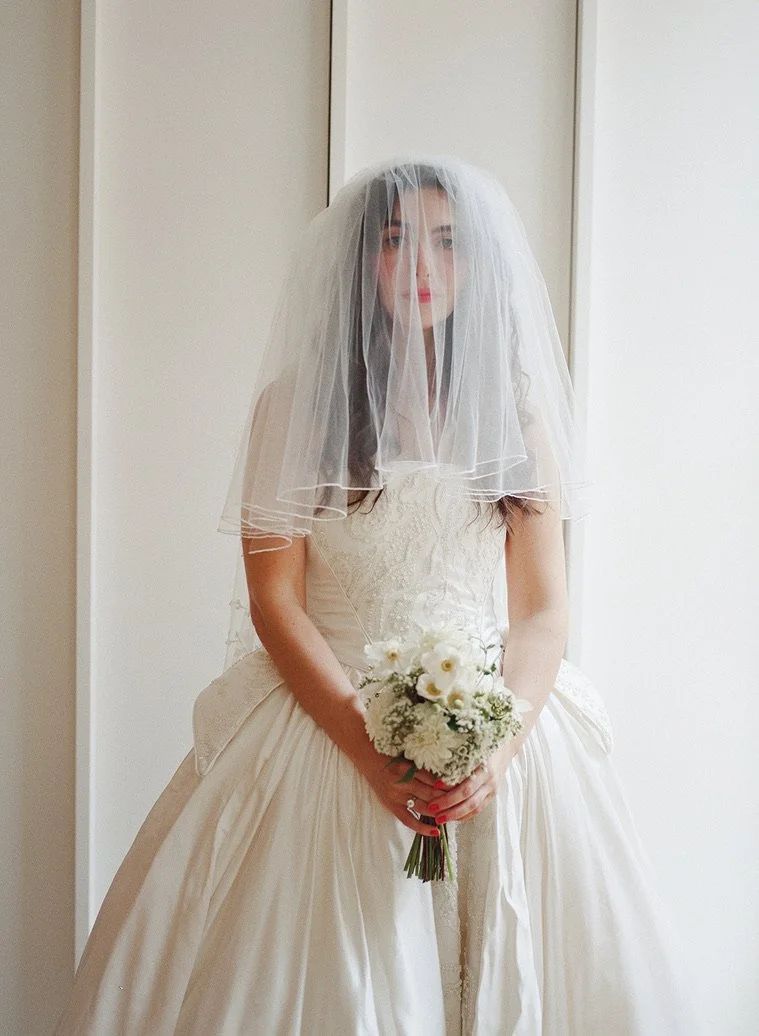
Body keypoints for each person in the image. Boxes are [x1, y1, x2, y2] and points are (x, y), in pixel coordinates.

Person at [55, 156, 701, 1034]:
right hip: (328, 721)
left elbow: (543, 609)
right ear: (362, 264)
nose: (424, 266)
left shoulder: (518, 418)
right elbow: (275, 602)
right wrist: (366, 751)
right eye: (397, 242)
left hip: (495, 725)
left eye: (446, 242)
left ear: (477, 266)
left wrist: (500, 745)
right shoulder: (296, 410)